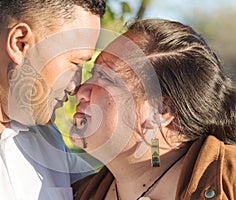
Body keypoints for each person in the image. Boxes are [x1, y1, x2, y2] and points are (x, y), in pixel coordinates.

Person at [0, 0, 105, 199]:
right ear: (19, 43)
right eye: (75, 63)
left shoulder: (46, 137)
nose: (76, 86)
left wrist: (152, 142)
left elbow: (135, 184)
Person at [71, 19, 236, 200]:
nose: (80, 91)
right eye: (92, 74)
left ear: (162, 110)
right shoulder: (75, 194)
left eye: (104, 76)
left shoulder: (229, 181)